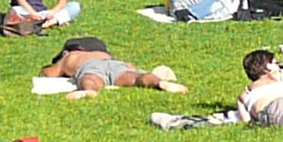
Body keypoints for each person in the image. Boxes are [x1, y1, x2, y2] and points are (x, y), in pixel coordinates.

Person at [34, 34, 187, 99]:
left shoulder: (72, 56)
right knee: (135, 77)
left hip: (90, 67)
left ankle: (88, 90)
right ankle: (159, 83)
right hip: (116, 64)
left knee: (90, 78)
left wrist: (47, 68)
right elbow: (130, 66)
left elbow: (49, 73)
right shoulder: (104, 54)